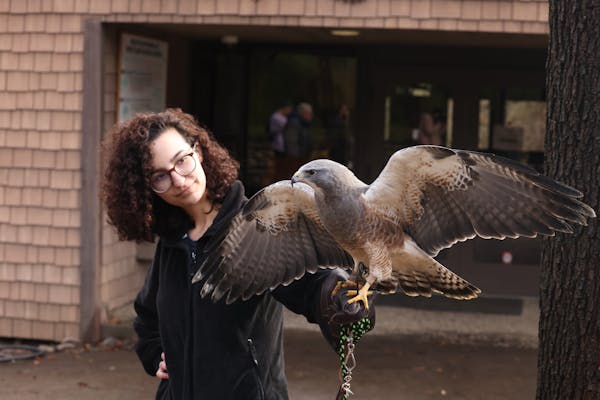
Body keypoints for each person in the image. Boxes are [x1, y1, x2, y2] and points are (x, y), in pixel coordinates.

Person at [101, 108, 374, 399]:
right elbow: (147, 318)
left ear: (199, 152)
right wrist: (157, 355)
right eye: (160, 176)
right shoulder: (171, 243)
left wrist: (336, 293)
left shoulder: (257, 225)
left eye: (182, 161)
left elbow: (312, 284)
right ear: (148, 186)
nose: (178, 180)